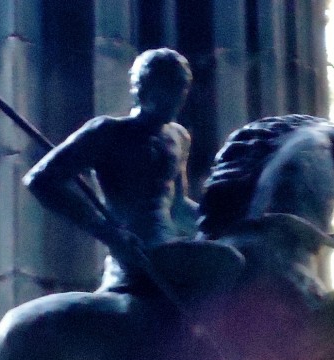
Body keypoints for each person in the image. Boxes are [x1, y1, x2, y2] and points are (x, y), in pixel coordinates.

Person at [23, 47, 242, 297]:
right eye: (168, 87)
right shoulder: (107, 132)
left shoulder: (178, 137)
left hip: (170, 250)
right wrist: (108, 233)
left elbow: (178, 207)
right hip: (137, 252)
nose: (177, 97)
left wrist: (222, 225)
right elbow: (40, 180)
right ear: (142, 88)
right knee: (229, 261)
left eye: (181, 88)